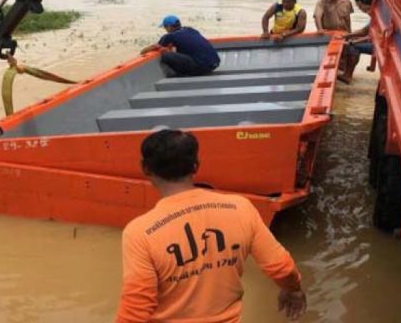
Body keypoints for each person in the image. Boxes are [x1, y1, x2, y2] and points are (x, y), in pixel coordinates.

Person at [116, 129, 307, 323]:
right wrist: (294, 290)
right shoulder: (240, 209)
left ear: (145, 168)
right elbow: (281, 266)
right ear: (196, 166)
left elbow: (136, 309)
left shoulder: (140, 232)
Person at [141, 15, 220, 77]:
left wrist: (142, 52)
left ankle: (182, 74)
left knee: (166, 55)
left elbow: (155, 47)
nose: (165, 29)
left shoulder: (170, 36)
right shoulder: (190, 29)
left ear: (169, 27)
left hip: (202, 68)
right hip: (215, 64)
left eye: (165, 27)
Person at [341, 0, 376, 84]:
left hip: (378, 46)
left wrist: (353, 42)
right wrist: (346, 36)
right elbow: (365, 31)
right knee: (353, 42)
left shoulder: (375, 15)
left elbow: (370, 36)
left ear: (366, 4)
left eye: (360, 6)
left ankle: (347, 76)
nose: (360, 9)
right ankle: (347, 72)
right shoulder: (376, 13)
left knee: (352, 47)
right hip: (377, 42)